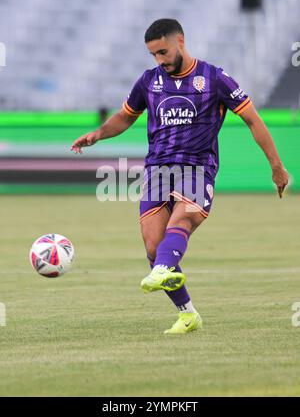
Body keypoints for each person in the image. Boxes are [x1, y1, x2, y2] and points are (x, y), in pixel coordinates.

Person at [71, 19, 289, 334]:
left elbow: (254, 121)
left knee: (182, 219)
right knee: (152, 245)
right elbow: (125, 116)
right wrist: (99, 134)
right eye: (154, 55)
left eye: (163, 51)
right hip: (157, 170)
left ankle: (162, 268)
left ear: (180, 41)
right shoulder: (149, 82)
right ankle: (187, 314)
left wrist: (276, 166)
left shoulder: (215, 78)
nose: (160, 60)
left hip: (198, 167)